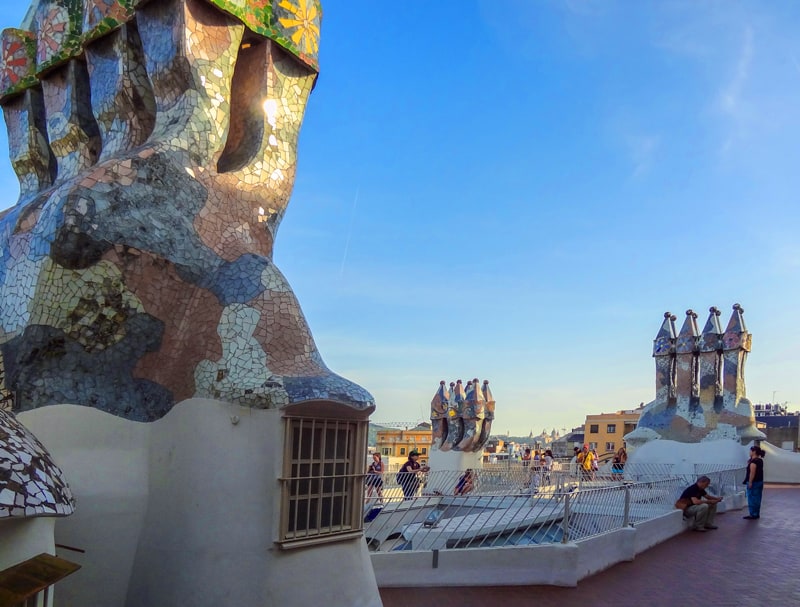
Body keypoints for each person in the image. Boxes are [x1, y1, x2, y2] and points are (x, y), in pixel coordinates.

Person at [743, 446, 765, 519]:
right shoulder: (760, 460)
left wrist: (750, 482)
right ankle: (756, 513)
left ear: (754, 452)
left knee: (752, 498)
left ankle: (753, 514)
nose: (749, 452)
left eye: (750, 451)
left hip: (754, 482)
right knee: (758, 498)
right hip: (759, 481)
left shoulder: (754, 462)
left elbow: (752, 472)